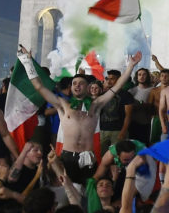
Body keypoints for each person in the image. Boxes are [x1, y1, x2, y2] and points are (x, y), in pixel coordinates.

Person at [18, 45, 140, 182]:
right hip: (67, 158)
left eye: (80, 83)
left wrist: (131, 66)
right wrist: (27, 62)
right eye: (74, 83)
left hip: (89, 158)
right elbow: (39, 86)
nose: (76, 86)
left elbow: (117, 87)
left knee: (86, 195)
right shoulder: (63, 105)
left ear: (88, 87)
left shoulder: (96, 105)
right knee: (67, 194)